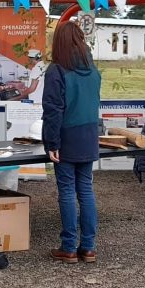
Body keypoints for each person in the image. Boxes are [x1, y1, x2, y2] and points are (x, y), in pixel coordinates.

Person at [42, 22, 101, 264]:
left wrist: (51, 142)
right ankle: (88, 247)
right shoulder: (94, 71)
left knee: (67, 191)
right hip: (89, 136)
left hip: (66, 138)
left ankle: (68, 248)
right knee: (85, 190)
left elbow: (53, 110)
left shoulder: (56, 70)